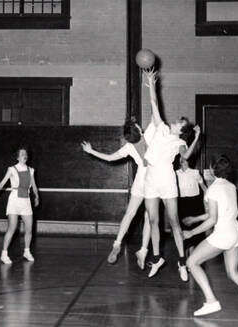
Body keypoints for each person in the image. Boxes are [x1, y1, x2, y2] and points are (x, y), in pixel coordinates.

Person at [183, 155, 238, 317]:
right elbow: (219, 212)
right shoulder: (230, 187)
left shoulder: (213, 189)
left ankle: (211, 301)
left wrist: (191, 232)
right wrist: (195, 219)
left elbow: (212, 219)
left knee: (192, 262)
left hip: (223, 234)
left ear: (211, 169)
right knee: (234, 273)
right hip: (236, 233)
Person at [140, 69, 200, 282]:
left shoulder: (180, 142)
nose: (175, 121)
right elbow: (155, 105)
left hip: (167, 180)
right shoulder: (162, 128)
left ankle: (182, 262)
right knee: (154, 220)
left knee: (174, 221)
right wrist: (151, 85)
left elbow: (186, 157)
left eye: (179, 123)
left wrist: (195, 138)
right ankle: (157, 258)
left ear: (182, 130)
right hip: (151, 179)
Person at [81, 117, 152, 268]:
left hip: (140, 179)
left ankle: (117, 242)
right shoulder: (150, 136)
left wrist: (91, 150)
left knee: (130, 213)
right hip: (153, 178)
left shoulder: (129, 146)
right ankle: (144, 250)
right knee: (149, 217)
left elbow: (110, 158)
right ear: (139, 130)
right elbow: (155, 116)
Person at [0, 147, 39, 264]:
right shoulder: (11, 169)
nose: (24, 155)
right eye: (22, 154)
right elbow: (2, 183)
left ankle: (27, 251)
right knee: (12, 228)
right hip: (14, 200)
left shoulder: (31, 170)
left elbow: (34, 185)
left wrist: (37, 196)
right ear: (17, 157)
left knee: (29, 229)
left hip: (26, 201)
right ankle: (4, 254)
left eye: (25, 153)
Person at [176, 156, 207, 253]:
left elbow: (204, 187)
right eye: (182, 160)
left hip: (194, 204)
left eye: (186, 160)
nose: (184, 162)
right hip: (181, 204)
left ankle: (193, 256)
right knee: (182, 228)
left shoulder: (195, 173)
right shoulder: (175, 173)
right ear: (179, 161)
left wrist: (209, 200)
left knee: (194, 229)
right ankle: (183, 259)